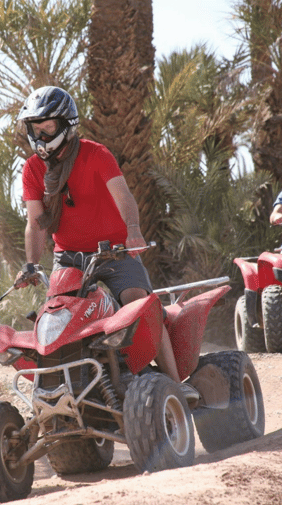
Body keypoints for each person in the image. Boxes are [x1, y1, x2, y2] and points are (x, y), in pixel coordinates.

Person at [13, 85, 199, 403]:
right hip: (68, 258)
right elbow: (35, 222)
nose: (41, 137)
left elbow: (123, 195)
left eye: (48, 128)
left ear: (66, 124)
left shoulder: (95, 154)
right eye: (36, 129)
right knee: (56, 317)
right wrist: (31, 264)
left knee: (140, 304)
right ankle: (53, 394)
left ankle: (173, 384)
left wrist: (134, 230)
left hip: (112, 250)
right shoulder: (32, 169)